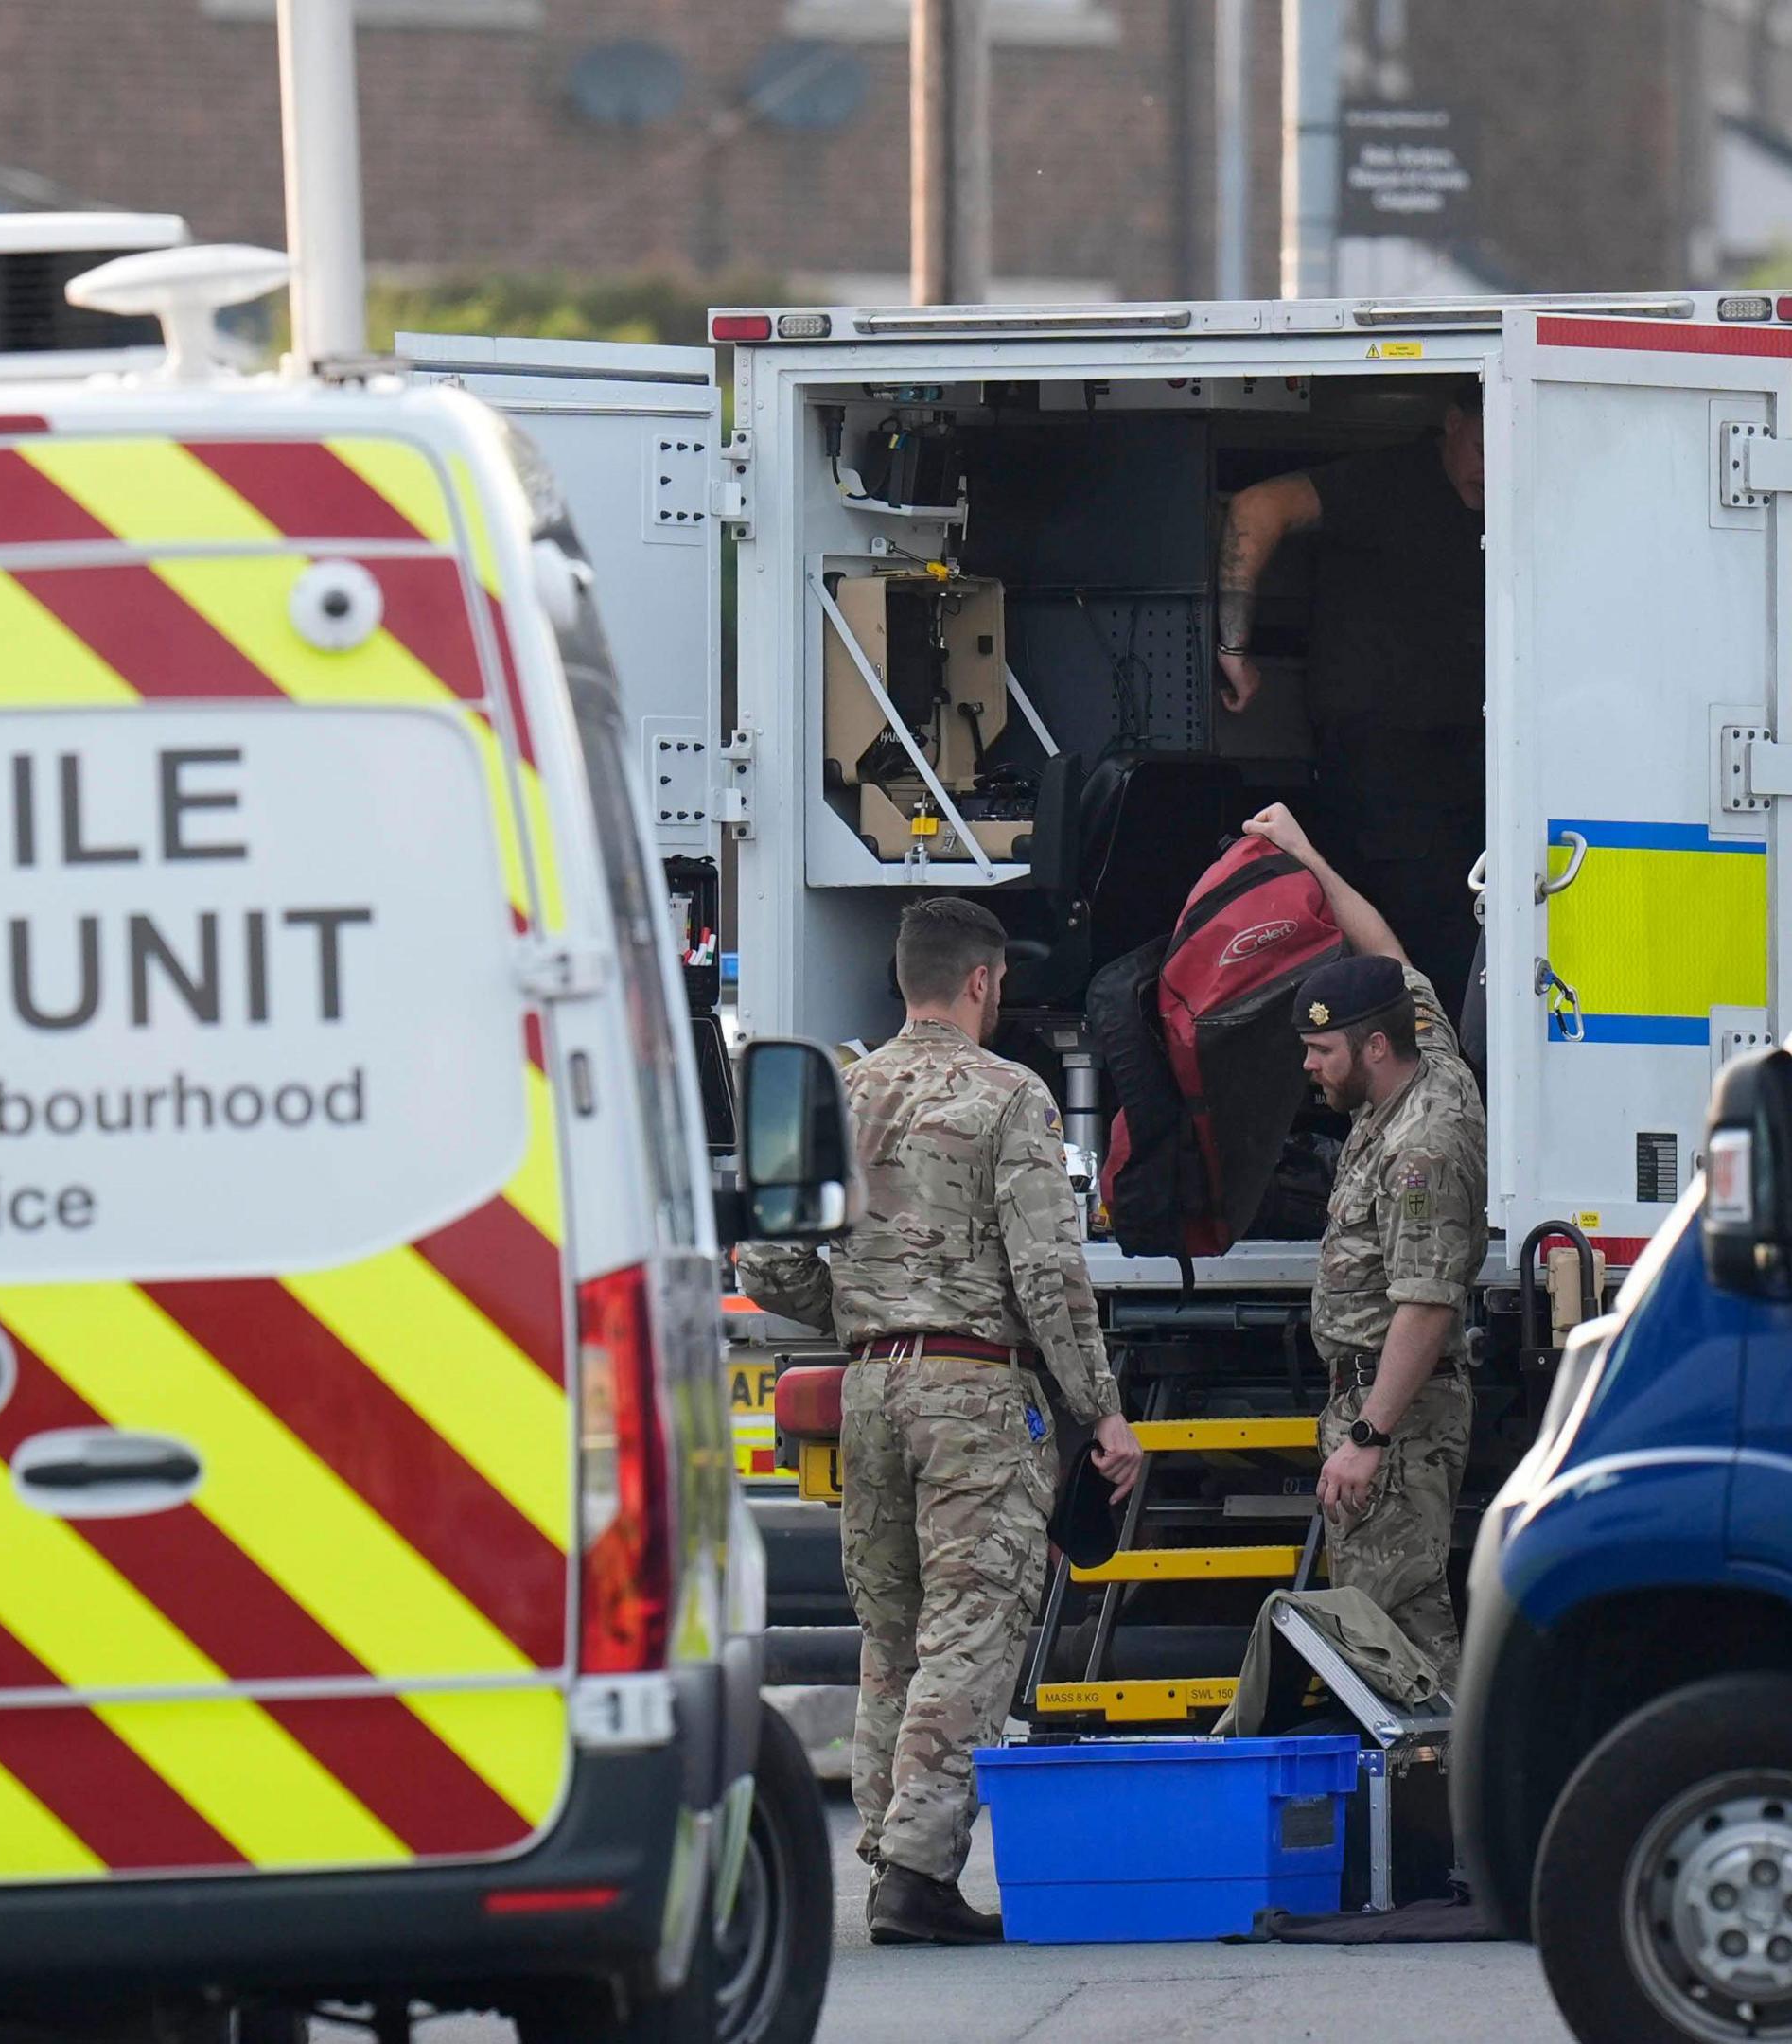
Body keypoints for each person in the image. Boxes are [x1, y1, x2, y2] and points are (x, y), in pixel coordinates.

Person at [732, 897, 1147, 1947]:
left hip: (870, 1390)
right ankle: (918, 1872)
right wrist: (1101, 1412)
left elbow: (770, 1260)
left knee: (893, 1636)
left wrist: (875, 1313)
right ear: (981, 982)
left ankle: (889, 1855)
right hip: (972, 1396)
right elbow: (1048, 1272)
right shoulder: (1012, 1096)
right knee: (971, 1629)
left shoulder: (845, 1091)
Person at [1240, 803, 1487, 1673]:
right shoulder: (1423, 1055)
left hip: (1400, 1416)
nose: (1307, 1067)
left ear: (1375, 1046)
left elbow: (1425, 1302)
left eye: (1321, 1053)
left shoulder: (1422, 1145)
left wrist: (1370, 1438)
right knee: (1382, 1622)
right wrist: (1303, 848)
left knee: (1398, 1636)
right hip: (1376, 1406)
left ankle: (1436, 1797)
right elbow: (1387, 957)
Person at [1215, 384, 1488, 995]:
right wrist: (1235, 649)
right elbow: (1258, 507)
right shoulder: (1390, 483)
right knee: (1417, 931)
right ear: (1450, 424)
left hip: (1471, 758)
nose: (1489, 471)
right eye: (1478, 447)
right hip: (1382, 762)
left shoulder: (1509, 497)